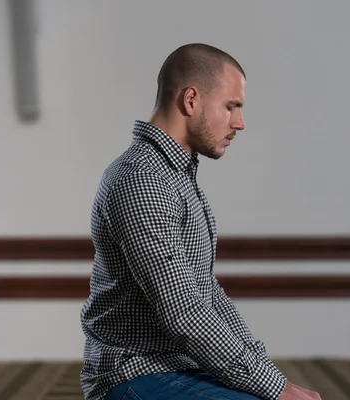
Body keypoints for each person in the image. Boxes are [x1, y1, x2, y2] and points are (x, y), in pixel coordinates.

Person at [80, 43, 322, 400]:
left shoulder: (176, 176)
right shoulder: (143, 179)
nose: (239, 122)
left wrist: (269, 375)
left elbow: (206, 294)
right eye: (231, 106)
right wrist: (277, 389)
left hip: (179, 365)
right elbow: (184, 315)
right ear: (191, 100)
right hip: (135, 373)